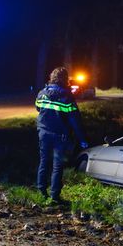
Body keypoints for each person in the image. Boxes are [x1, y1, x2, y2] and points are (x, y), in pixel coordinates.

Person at [35, 66, 87, 204]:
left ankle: (41, 192)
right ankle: (54, 196)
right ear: (65, 79)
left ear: (52, 77)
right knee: (57, 166)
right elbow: (74, 120)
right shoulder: (67, 96)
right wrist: (82, 139)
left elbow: (38, 108)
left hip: (43, 132)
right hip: (60, 135)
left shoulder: (42, 93)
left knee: (44, 162)